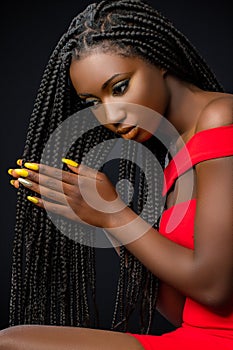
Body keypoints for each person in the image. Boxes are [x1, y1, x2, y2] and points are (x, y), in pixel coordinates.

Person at [1, 0, 233, 348]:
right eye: (93, 102)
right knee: (14, 338)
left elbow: (214, 289)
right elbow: (177, 307)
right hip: (193, 337)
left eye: (120, 87)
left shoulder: (222, 116)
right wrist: (99, 219)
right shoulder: (176, 159)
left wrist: (114, 215)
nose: (110, 114)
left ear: (160, 60)